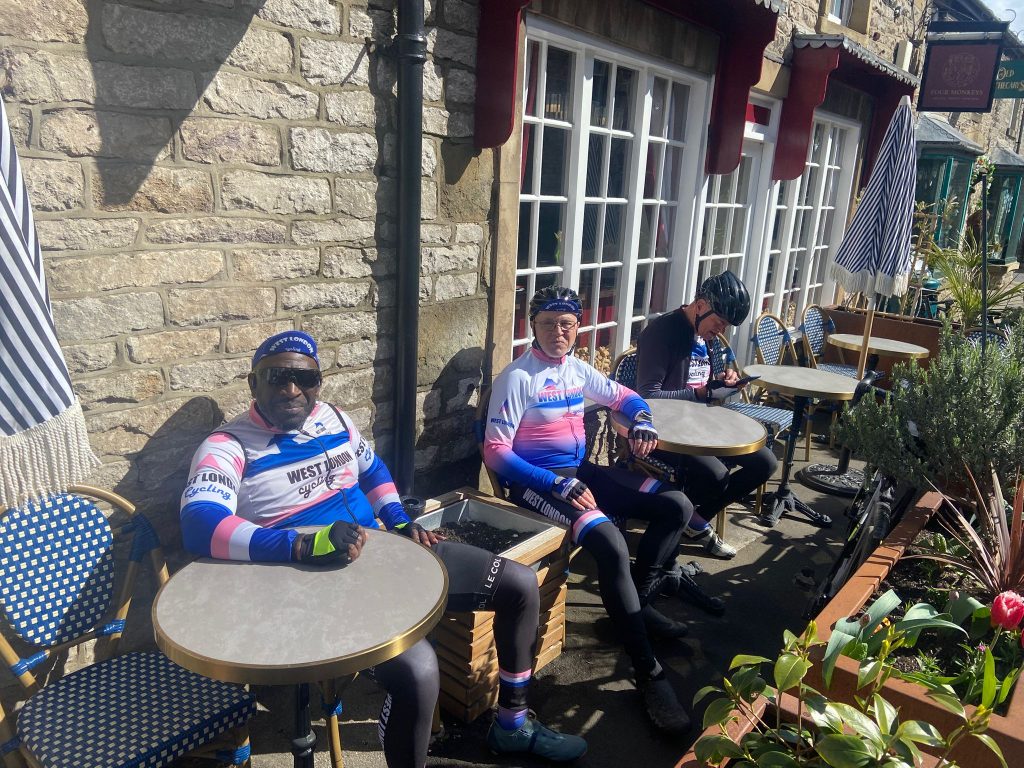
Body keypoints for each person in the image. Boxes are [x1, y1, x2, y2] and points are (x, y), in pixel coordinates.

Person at [179, 331, 586, 767]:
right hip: (314, 585)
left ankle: (512, 724)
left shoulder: (332, 418)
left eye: (306, 379)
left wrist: (399, 520)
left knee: (519, 584)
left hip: (386, 553)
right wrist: (300, 544)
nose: (292, 390)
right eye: (277, 377)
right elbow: (200, 524)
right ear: (252, 383)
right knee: (419, 670)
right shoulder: (228, 445)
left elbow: (373, 471)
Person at [483, 287, 693, 734]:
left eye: (567, 324)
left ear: (578, 328)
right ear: (532, 326)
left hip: (581, 473)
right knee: (611, 544)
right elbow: (495, 452)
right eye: (547, 323)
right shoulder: (518, 377)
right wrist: (554, 482)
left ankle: (637, 606)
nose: (557, 332)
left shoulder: (578, 369)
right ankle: (648, 673)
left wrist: (642, 419)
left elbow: (628, 397)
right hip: (539, 485)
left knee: (676, 505)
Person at [635, 270, 778, 559]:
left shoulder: (703, 334)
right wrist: (702, 394)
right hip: (668, 432)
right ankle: (684, 522)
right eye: (720, 322)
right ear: (700, 305)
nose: (722, 331)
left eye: (727, 326)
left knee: (765, 462)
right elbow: (648, 396)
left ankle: (693, 519)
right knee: (716, 476)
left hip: (702, 423)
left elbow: (700, 383)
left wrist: (722, 381)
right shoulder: (662, 333)